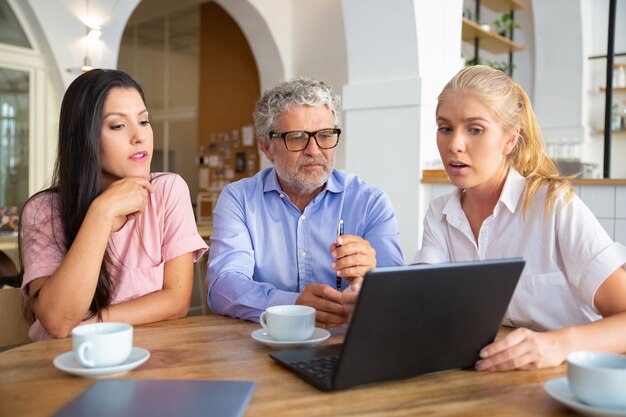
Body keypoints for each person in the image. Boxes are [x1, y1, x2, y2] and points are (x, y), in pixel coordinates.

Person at [414, 65, 626, 370]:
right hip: (498, 378)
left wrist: (556, 344)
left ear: (510, 141)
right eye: (445, 128)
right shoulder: (439, 214)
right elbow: (424, 295)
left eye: (475, 129)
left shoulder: (553, 205)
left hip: (573, 378)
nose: (454, 145)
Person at [19, 69, 208, 341]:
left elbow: (176, 301)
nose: (139, 136)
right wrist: (102, 213)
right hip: (65, 362)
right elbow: (58, 320)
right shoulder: (43, 210)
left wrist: (85, 324)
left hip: (150, 357)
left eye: (143, 121)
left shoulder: (167, 191)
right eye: (118, 125)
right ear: (84, 137)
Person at [207, 78, 404, 328]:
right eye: (297, 138)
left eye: (325, 135)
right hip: (265, 344)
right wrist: (293, 306)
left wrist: (369, 281)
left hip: (344, 344)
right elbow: (223, 287)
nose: (314, 150)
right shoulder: (239, 199)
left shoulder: (370, 202)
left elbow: (396, 296)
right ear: (266, 147)